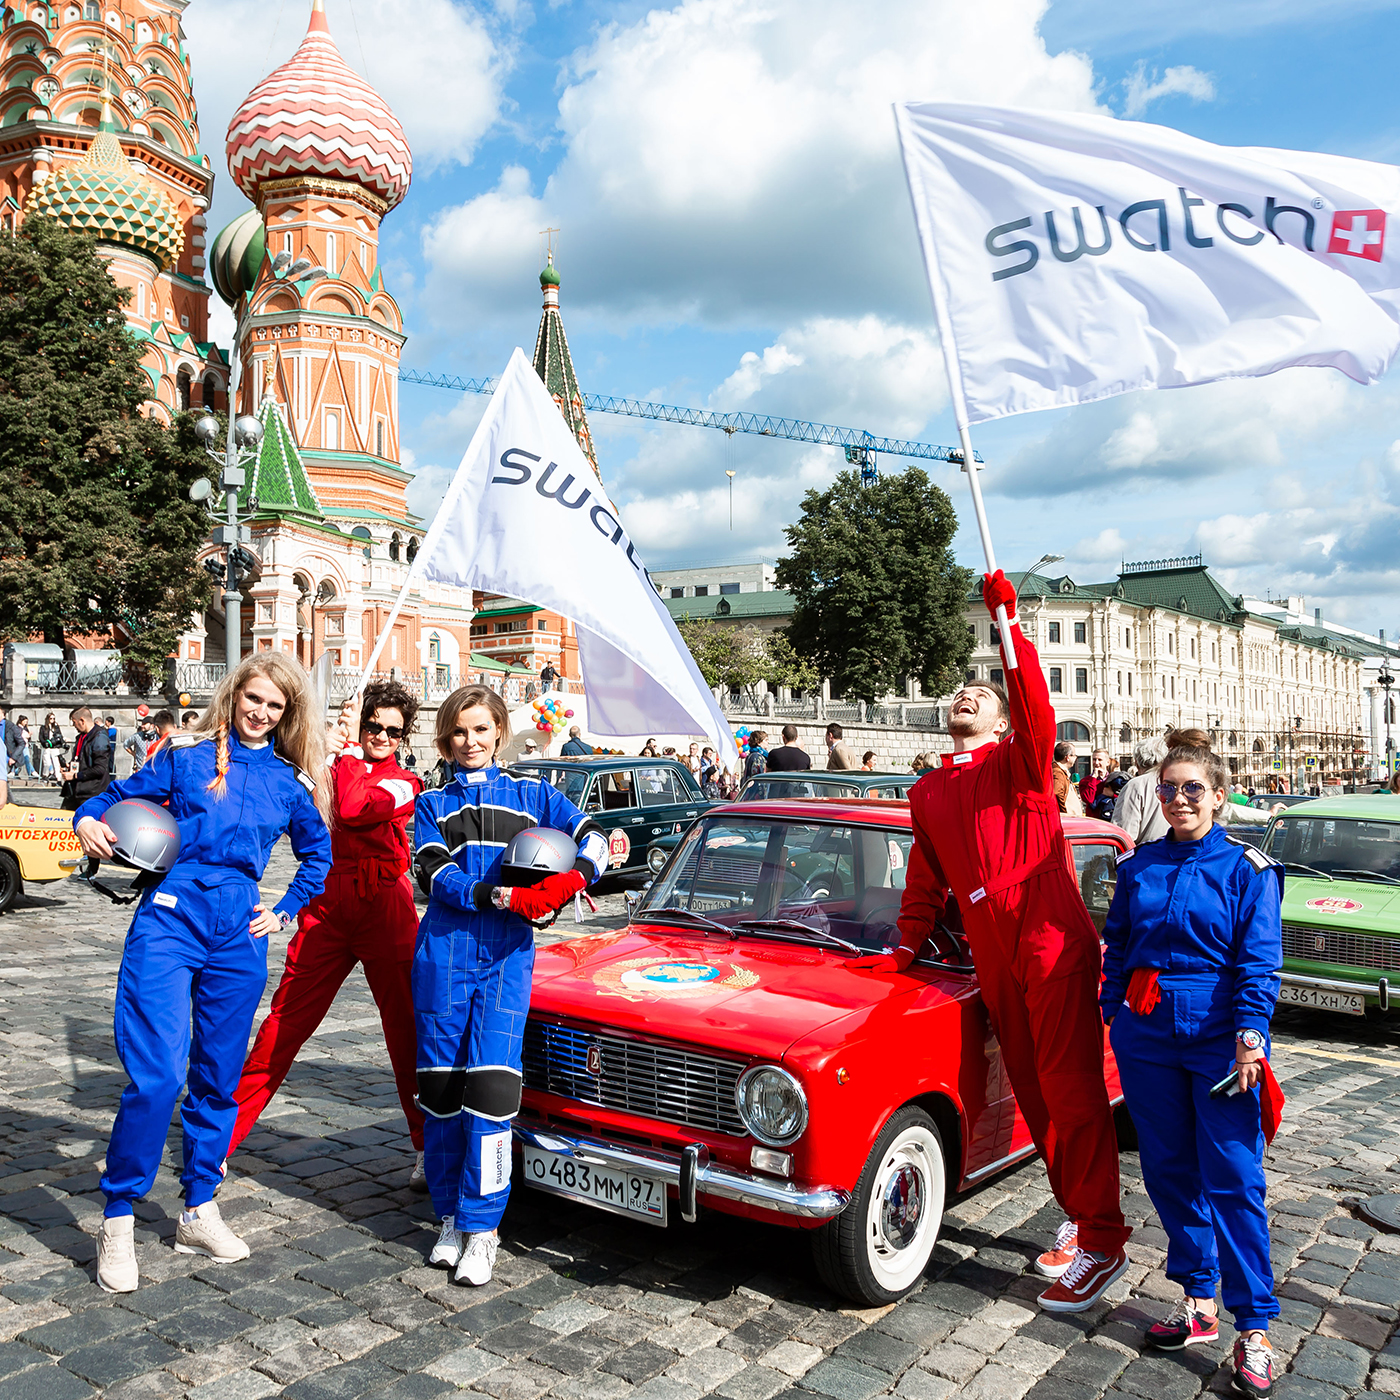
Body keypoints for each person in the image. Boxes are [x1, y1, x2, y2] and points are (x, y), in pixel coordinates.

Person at [886, 571, 1129, 1311]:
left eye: (980, 694)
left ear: (998, 721)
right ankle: (1079, 1214)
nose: (966, 696)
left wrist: (1008, 627)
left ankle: (1103, 1239)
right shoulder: (927, 791)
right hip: (991, 945)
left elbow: (1035, 708)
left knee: (1071, 1088)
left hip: (1047, 926)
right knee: (1033, 1090)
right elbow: (925, 883)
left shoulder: (1020, 761)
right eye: (959, 691)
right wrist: (901, 951)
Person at [73, 655, 332, 1294]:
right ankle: (119, 1217)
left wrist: (285, 909)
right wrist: (86, 821)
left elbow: (318, 856)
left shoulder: (290, 780)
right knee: (157, 1076)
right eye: (254, 698)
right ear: (234, 694)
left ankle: (198, 1207)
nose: (261, 712)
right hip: (171, 915)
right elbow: (113, 797)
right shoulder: (185, 755)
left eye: (274, 705)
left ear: (287, 713)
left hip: (239, 930)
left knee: (217, 1078)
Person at [1102, 741, 1283, 1397]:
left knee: (1234, 1176)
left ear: (1218, 797)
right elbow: (1118, 942)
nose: (1178, 799)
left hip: (1217, 1034)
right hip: (1147, 1031)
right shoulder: (1140, 865)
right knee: (1169, 1168)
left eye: (1192, 789)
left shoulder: (1247, 869)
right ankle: (1199, 1301)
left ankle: (1255, 1327)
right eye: (1168, 789)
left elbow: (1259, 962)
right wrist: (1113, 1013)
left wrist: (1250, 1038)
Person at [413, 686, 607, 1286]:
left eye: (480, 729)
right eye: (458, 731)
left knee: (493, 1091)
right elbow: (432, 871)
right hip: (443, 954)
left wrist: (571, 880)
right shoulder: (431, 802)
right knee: (441, 1094)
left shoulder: (534, 794)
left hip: (506, 959)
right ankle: (449, 1217)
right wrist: (497, 895)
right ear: (445, 739)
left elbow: (599, 839)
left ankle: (483, 1228)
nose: (469, 741)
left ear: (499, 729)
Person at [228, 681, 425, 1182]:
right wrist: (323, 752)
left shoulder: (407, 781)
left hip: (385, 905)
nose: (382, 736)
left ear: (403, 737)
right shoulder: (327, 764)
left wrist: (349, 752)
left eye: (393, 731)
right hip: (327, 905)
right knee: (283, 1025)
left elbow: (355, 808)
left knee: (406, 1030)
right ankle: (220, 1140)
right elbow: (278, 788)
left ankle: (427, 1144)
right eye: (372, 725)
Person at [60, 707, 111, 810]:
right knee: (63, 817)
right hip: (76, 791)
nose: (74, 726)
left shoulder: (99, 738)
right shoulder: (81, 737)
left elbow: (100, 769)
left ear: (82, 721)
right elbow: (82, 760)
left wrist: (74, 776)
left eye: (74, 722)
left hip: (92, 793)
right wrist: (70, 766)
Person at [1079, 750, 1115, 819]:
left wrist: (1112, 794)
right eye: (1094, 759)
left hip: (1111, 819)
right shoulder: (1085, 781)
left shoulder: (1114, 780)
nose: (1096, 762)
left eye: (1100, 760)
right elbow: (1088, 799)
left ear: (1108, 762)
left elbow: (1122, 798)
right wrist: (1093, 778)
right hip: (1093, 820)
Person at [1052, 742, 1084, 815]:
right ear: (1068, 757)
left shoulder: (1061, 772)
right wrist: (1064, 812)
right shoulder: (1058, 772)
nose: (1076, 758)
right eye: (1075, 755)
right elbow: (1057, 793)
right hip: (1067, 818)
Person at [7, 714, 37, 782]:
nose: (26, 723)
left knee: (26, 759)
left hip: (25, 746)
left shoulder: (25, 728)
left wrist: (29, 736)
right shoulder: (17, 728)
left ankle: (29, 772)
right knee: (20, 759)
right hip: (20, 746)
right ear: (21, 721)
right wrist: (27, 736)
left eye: (27, 721)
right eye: (25, 721)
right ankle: (31, 772)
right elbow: (18, 737)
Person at [38, 712, 65, 783]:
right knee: (47, 763)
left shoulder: (56, 727)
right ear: (48, 719)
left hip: (54, 747)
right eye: (51, 718)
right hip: (47, 747)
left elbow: (60, 736)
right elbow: (41, 737)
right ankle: (45, 775)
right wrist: (45, 743)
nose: (52, 720)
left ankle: (58, 777)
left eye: (53, 718)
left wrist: (62, 742)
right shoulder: (43, 727)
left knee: (56, 763)